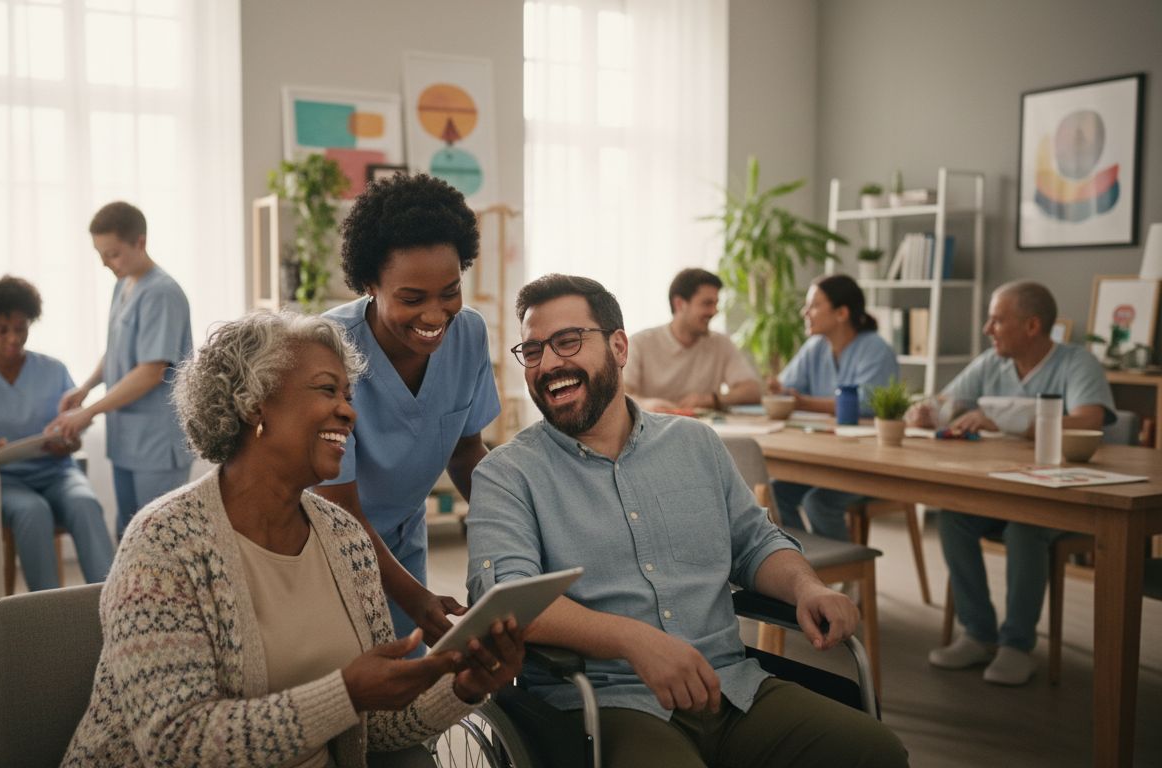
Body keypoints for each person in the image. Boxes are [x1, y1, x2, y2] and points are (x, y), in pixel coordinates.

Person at [466, 274, 908, 767]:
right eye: (532, 351)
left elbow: (755, 543)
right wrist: (636, 641)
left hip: (731, 686)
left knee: (877, 753)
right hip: (603, 704)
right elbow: (505, 602)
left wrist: (809, 588)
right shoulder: (507, 474)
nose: (548, 364)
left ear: (618, 347)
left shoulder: (695, 444)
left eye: (567, 342)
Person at [63, 311, 525, 768]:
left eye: (348, 394)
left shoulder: (346, 540)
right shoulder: (164, 544)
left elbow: (377, 726)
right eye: (327, 390)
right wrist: (344, 693)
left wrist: (463, 684)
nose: (349, 411)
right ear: (253, 404)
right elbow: (174, 745)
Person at [315, 174, 500, 646]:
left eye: (450, 292)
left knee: (408, 688)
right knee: (345, 683)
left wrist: (513, 526)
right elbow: (339, 506)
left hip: (401, 538)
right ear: (369, 284)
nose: (436, 316)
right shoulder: (326, 349)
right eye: (412, 299)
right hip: (324, 543)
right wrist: (416, 597)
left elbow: (465, 450)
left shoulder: (470, 336)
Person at [908, 281, 1114, 686]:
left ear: (1033, 325)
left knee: (1026, 526)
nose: (988, 328)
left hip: (1062, 498)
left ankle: (1017, 645)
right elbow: (947, 402)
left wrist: (1009, 423)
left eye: (997, 319)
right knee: (953, 518)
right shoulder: (992, 362)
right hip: (1000, 490)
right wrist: (927, 411)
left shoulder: (1077, 363)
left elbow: (1091, 418)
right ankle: (978, 632)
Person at [0, 276, 113, 591]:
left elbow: (75, 430)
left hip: (56, 471)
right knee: (33, 512)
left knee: (85, 503)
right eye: (3, 330)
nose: (14, 338)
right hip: (0, 479)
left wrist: (68, 442)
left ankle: (114, 602)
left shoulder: (53, 370)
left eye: (21, 328)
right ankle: (47, 614)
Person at [48, 201, 193, 541]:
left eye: (112, 254)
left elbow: (151, 370)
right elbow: (117, 348)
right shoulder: (123, 284)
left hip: (156, 443)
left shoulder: (161, 293)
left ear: (140, 242)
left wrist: (90, 412)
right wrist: (86, 387)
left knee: (158, 540)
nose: (104, 263)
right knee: (128, 535)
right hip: (128, 438)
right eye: (100, 254)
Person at [767, 274, 900, 541]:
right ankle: (806, 565)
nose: (805, 312)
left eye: (814, 305)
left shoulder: (875, 348)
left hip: (869, 463)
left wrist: (804, 402)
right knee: (774, 493)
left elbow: (867, 404)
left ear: (842, 312)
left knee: (819, 502)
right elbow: (787, 388)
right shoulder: (815, 347)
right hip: (824, 456)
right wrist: (776, 388)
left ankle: (845, 572)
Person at [625, 268, 761, 413]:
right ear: (679, 304)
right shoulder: (640, 343)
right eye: (707, 304)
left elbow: (753, 390)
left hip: (702, 431)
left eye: (716, 304)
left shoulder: (721, 344)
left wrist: (712, 399)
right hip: (650, 429)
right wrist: (648, 405)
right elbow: (620, 395)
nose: (714, 312)